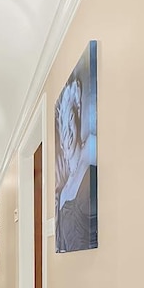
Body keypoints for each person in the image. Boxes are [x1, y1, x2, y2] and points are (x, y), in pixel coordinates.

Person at [55, 74, 97, 252]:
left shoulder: (92, 149)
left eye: (70, 119)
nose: (67, 134)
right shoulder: (63, 190)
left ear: (78, 114)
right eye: (63, 127)